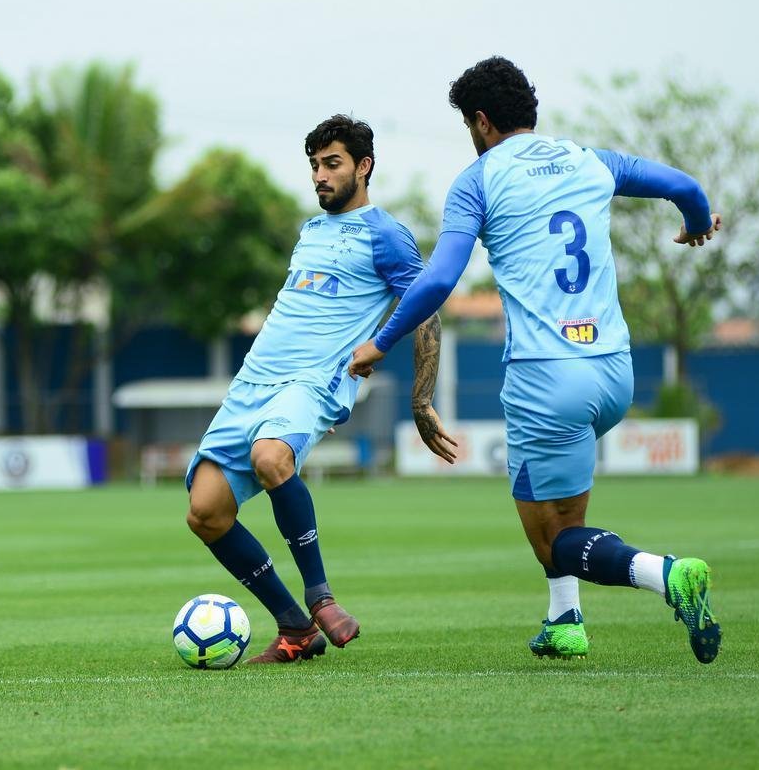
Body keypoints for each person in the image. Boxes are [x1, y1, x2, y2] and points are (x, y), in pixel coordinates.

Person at [351, 57, 722, 663]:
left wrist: (381, 343)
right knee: (565, 506)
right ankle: (564, 618)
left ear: (480, 120)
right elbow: (686, 187)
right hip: (612, 369)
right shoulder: (590, 159)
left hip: (545, 376)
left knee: (553, 537)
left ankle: (666, 573)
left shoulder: (477, 179)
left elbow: (440, 277)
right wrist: (698, 224)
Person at [185, 115, 457, 663]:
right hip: (255, 379)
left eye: (332, 163)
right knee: (205, 511)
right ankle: (294, 627)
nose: (320, 175)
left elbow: (427, 311)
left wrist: (421, 398)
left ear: (364, 166)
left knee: (271, 456)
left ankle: (321, 597)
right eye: (314, 165)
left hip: (314, 380)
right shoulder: (311, 231)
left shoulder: (386, 233)